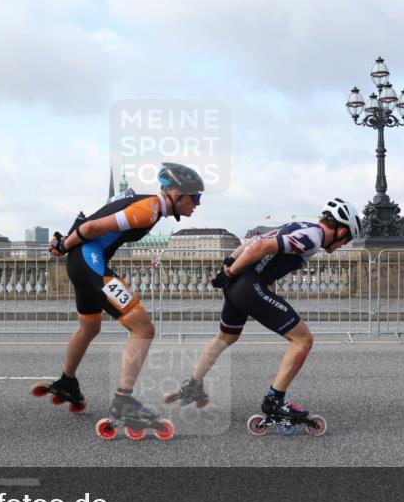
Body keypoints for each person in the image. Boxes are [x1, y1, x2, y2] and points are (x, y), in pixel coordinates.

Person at [36, 162, 203, 441]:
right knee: (143, 329)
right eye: (195, 197)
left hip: (83, 262)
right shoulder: (148, 210)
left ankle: (67, 382)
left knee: (89, 327)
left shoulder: (141, 201)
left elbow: (89, 219)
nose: (197, 204)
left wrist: (65, 242)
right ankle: (123, 401)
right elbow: (90, 227)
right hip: (91, 263)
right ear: (175, 194)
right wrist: (65, 245)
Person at [166, 198, 361, 435]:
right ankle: (274, 401)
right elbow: (261, 247)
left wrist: (227, 267)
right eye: (347, 239)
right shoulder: (313, 238)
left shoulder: (301, 226)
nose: (343, 245)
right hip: (249, 285)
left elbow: (253, 240)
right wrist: (230, 272)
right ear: (340, 231)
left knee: (225, 338)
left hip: (240, 284)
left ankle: (194, 384)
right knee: (303, 340)